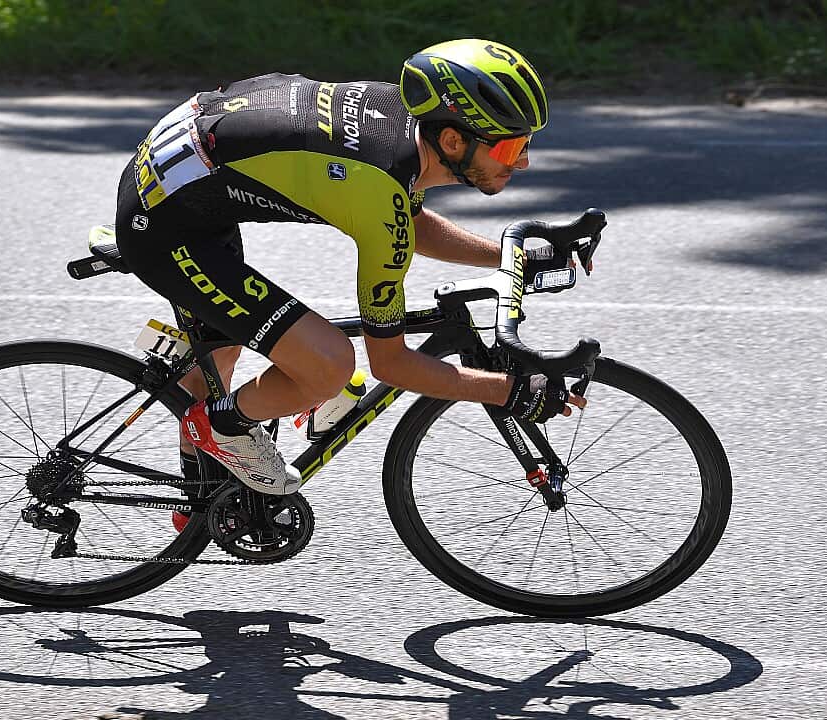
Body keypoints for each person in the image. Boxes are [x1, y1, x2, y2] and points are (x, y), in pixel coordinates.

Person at [112, 39, 586, 497]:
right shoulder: (379, 191)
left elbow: (411, 223)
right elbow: (392, 362)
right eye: (508, 149)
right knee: (329, 364)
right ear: (451, 139)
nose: (522, 163)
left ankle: (198, 504)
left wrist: (509, 257)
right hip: (165, 220)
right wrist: (509, 391)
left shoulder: (402, 125)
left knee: (223, 353)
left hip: (186, 172)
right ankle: (217, 427)